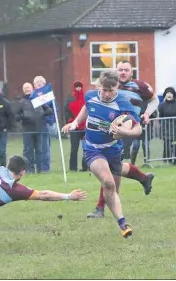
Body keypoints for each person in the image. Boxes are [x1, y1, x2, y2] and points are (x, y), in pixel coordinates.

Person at [62, 70, 152, 238]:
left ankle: (144, 179)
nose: (107, 94)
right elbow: (86, 108)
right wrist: (74, 123)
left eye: (111, 90)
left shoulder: (123, 103)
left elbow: (137, 128)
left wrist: (126, 132)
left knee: (114, 187)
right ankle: (123, 223)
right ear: (98, 86)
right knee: (108, 182)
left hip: (113, 149)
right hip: (92, 148)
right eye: (104, 89)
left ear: (117, 87)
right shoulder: (90, 96)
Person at [86, 61, 157, 219]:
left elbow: (154, 100)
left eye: (126, 70)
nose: (123, 72)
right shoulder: (108, 86)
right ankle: (144, 178)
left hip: (125, 130)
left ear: (132, 72)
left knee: (110, 168)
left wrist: (147, 114)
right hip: (108, 130)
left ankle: (101, 206)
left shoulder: (141, 86)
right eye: (120, 70)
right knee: (114, 167)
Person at [15, 82, 53, 173]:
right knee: (28, 151)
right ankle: (29, 169)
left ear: (32, 89)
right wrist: (23, 116)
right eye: (25, 88)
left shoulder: (38, 99)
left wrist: (43, 114)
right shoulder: (21, 101)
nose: (27, 89)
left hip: (39, 129)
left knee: (40, 150)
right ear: (23, 90)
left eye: (28, 87)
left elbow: (49, 110)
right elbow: (16, 116)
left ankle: (40, 169)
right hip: (27, 129)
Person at [33, 76, 56, 173]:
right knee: (35, 148)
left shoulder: (48, 95)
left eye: (41, 82)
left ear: (44, 84)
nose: (39, 83)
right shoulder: (32, 95)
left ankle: (45, 168)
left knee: (45, 148)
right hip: (34, 125)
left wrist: (50, 121)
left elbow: (54, 110)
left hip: (45, 124)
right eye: (36, 82)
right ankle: (38, 167)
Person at [64, 80, 88, 172]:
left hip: (85, 127)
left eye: (80, 86)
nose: (78, 88)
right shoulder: (70, 98)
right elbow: (66, 111)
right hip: (74, 127)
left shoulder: (86, 98)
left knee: (86, 148)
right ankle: (73, 168)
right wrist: (70, 121)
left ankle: (85, 167)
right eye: (76, 86)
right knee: (74, 148)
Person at [158, 87, 176, 165]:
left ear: (173, 95)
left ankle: (168, 158)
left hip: (174, 126)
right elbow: (161, 116)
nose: (169, 95)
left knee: (168, 143)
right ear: (165, 95)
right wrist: (161, 124)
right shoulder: (162, 105)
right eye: (167, 93)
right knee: (166, 143)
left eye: (171, 93)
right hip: (165, 127)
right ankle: (167, 159)